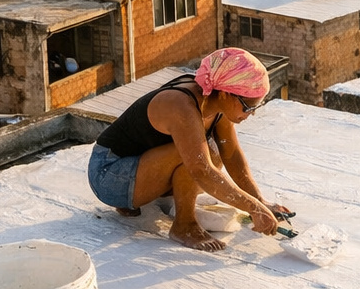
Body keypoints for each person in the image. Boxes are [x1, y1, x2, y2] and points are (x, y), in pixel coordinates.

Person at [87, 47, 287, 252]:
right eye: (248, 107)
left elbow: (231, 154)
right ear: (227, 94)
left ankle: (138, 197)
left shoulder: (216, 100)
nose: (250, 114)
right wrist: (253, 208)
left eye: (256, 107)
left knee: (214, 152)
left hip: (137, 165)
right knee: (199, 157)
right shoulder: (181, 104)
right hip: (107, 174)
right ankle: (184, 225)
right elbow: (200, 169)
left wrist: (260, 201)